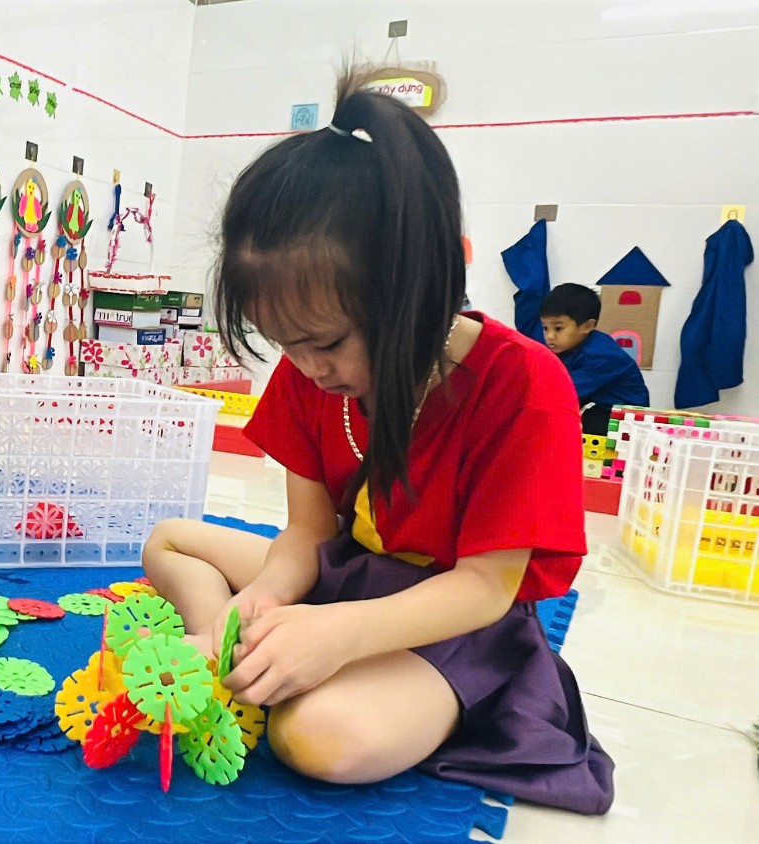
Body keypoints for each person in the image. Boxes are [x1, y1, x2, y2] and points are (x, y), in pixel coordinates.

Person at [141, 71, 614, 815]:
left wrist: (338, 633)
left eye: (325, 342)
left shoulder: (522, 383)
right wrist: (254, 609)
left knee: (319, 737)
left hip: (457, 617)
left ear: (414, 290)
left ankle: (299, 658)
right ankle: (220, 639)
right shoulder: (310, 374)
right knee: (168, 540)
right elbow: (306, 534)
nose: (307, 368)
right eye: (284, 344)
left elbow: (486, 587)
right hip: (352, 575)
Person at [540, 283, 650, 434]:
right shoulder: (568, 346)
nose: (550, 336)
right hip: (600, 408)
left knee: (559, 421)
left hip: (627, 421)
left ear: (587, 326)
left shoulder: (600, 355)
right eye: (545, 328)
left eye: (558, 328)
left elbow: (562, 392)